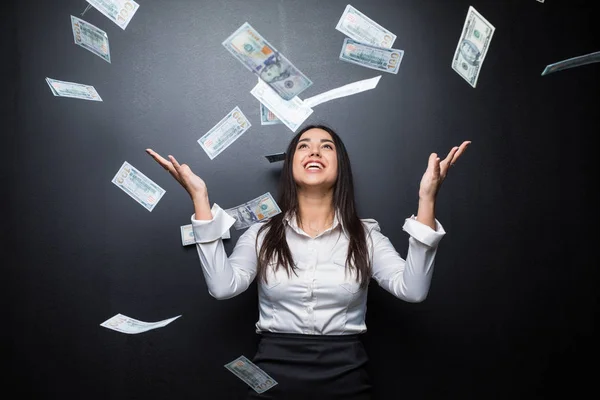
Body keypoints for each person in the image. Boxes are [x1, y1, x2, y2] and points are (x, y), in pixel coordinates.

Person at [146, 124, 470, 399]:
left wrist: (428, 198)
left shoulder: (366, 236)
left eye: (326, 146)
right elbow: (222, 287)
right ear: (291, 165)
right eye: (304, 146)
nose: (314, 152)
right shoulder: (261, 234)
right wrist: (200, 199)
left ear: (340, 165)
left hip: (347, 377)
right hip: (272, 377)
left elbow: (412, 290)